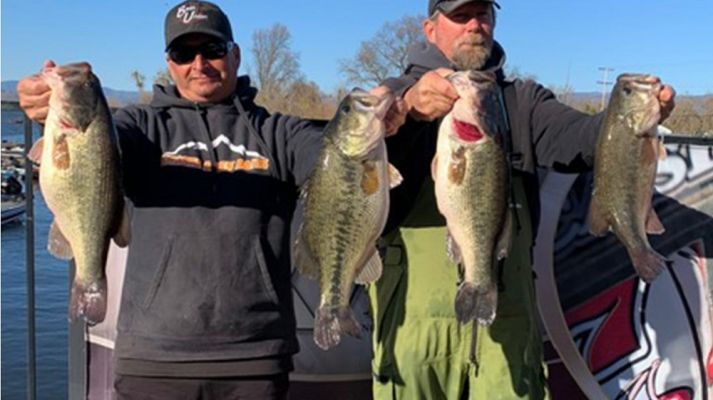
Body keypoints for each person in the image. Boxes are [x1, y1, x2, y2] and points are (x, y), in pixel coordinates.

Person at [367, 0, 676, 399]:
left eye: (483, 15)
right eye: (460, 16)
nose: (474, 25)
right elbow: (349, 172)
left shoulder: (523, 100)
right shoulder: (389, 97)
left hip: (509, 309)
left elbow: (582, 139)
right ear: (430, 29)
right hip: (414, 315)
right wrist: (406, 111)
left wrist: (632, 116)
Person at [17, 1, 324, 399]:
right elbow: (96, 152)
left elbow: (336, 160)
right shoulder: (137, 127)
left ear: (235, 54)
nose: (199, 64)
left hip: (256, 356)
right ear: (169, 62)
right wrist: (46, 112)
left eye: (212, 50)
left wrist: (376, 127)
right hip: (153, 359)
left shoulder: (281, 133)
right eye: (184, 53)